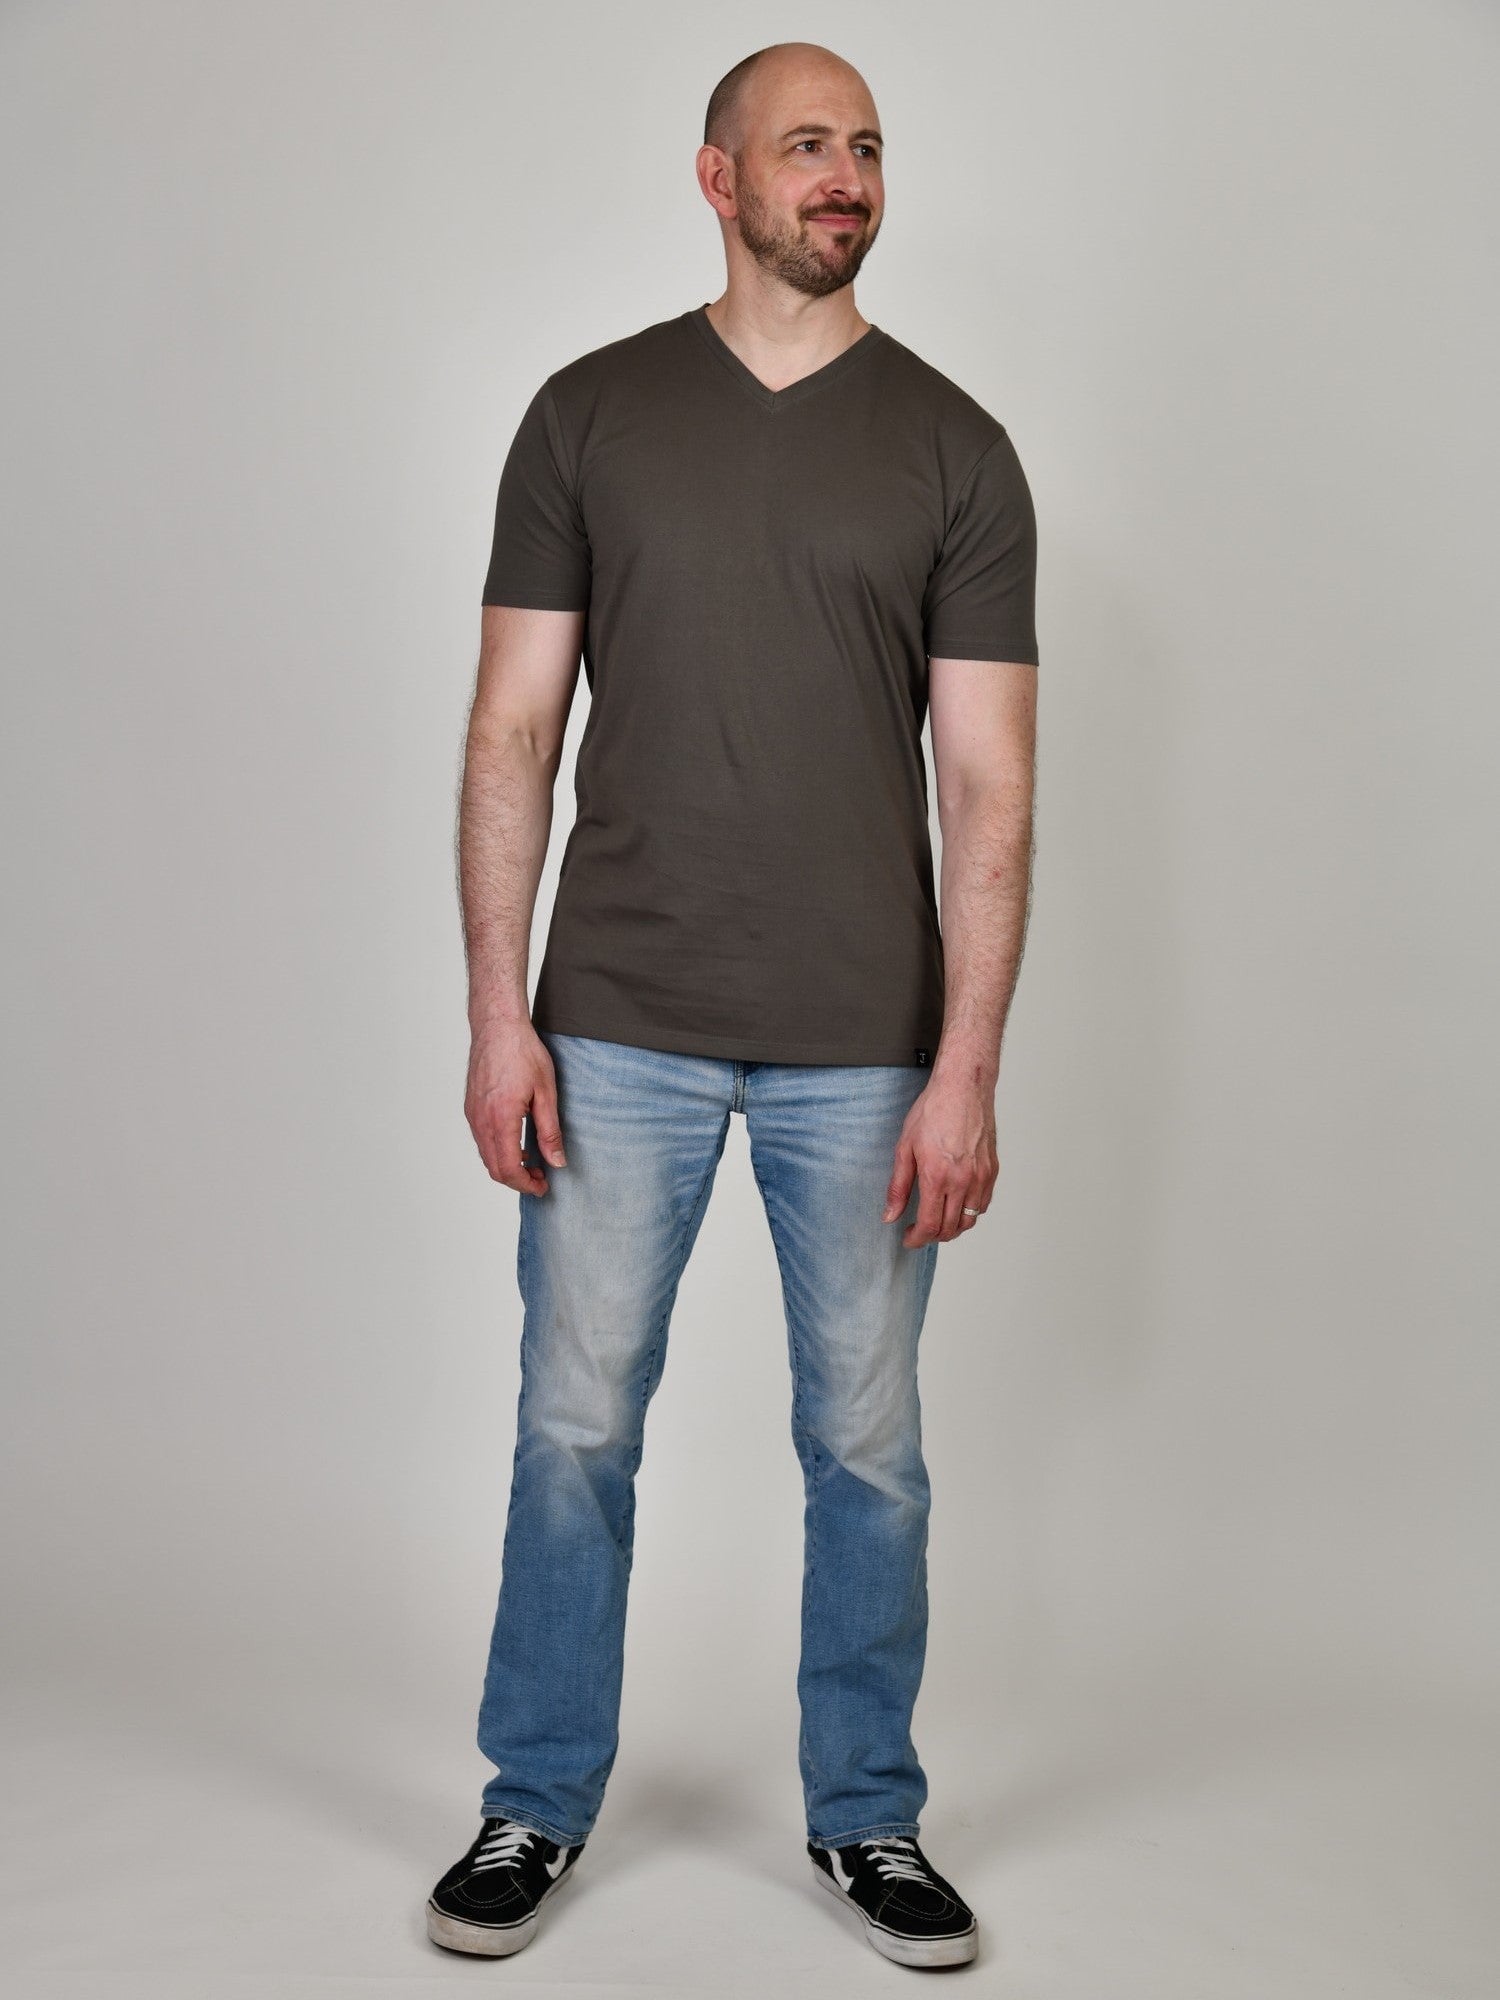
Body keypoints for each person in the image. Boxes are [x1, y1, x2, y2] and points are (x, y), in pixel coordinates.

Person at [425, 39, 1039, 1972]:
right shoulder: (588, 417)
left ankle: (868, 1820)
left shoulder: (958, 448)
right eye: (805, 146)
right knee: (574, 1426)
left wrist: (968, 1071)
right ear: (718, 178)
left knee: (866, 1448)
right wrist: (496, 1016)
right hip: (614, 1021)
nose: (843, 175)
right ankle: (534, 1803)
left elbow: (992, 786)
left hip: (869, 1046)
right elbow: (513, 724)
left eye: (865, 147)